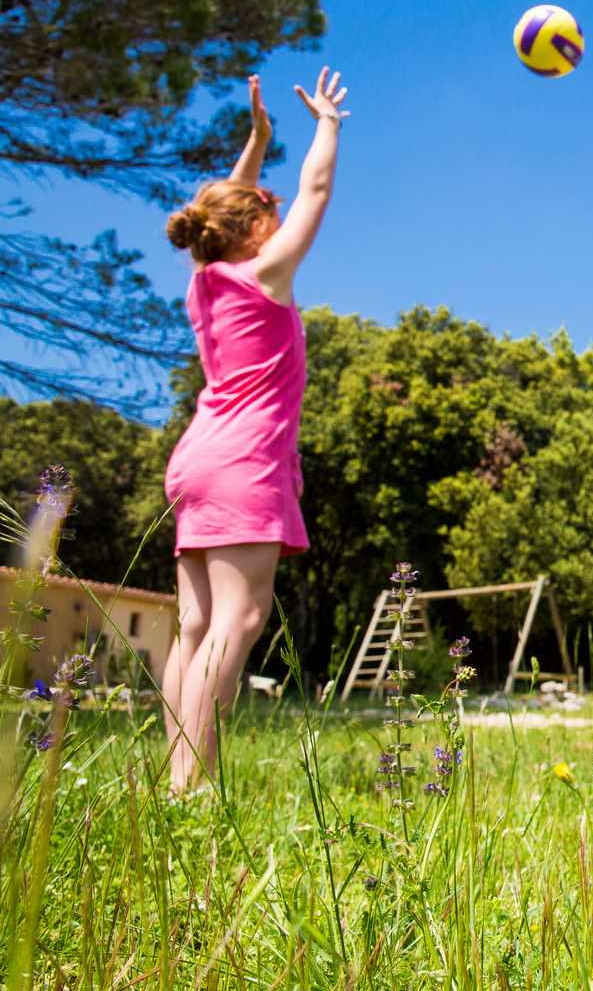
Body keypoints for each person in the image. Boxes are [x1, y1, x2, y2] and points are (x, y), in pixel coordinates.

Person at [161, 68, 351, 793]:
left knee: (195, 627)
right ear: (252, 231)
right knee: (238, 622)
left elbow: (217, 213)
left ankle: (174, 776)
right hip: (244, 462)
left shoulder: (204, 282)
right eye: (264, 208)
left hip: (198, 460)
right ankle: (191, 783)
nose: (277, 211)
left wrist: (256, 142)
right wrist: (327, 126)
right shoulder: (265, 275)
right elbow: (317, 193)